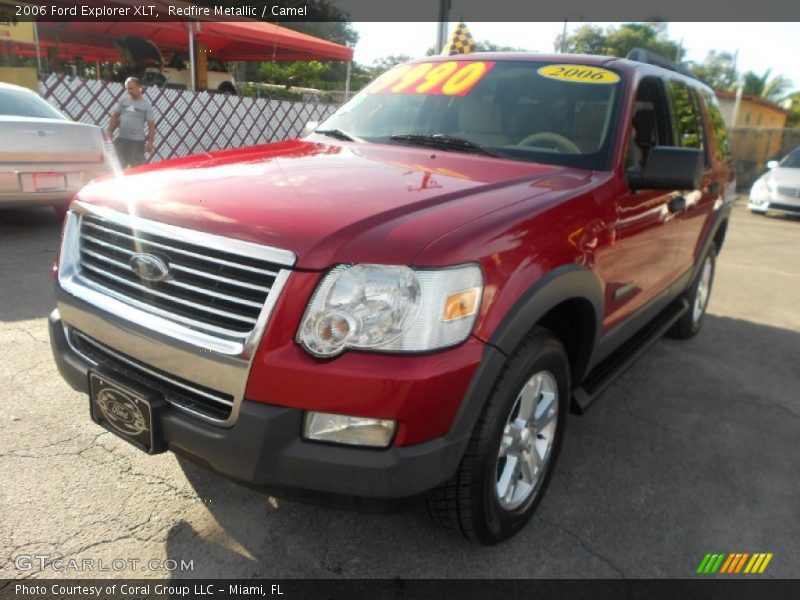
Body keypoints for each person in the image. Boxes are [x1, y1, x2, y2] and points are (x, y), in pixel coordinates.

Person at [107, 77, 156, 168]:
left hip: (136, 142)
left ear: (139, 87)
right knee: (118, 167)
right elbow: (116, 116)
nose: (129, 91)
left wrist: (150, 142)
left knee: (136, 169)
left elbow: (151, 126)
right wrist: (110, 131)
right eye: (127, 89)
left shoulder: (146, 106)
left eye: (131, 88)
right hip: (121, 139)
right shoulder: (124, 101)